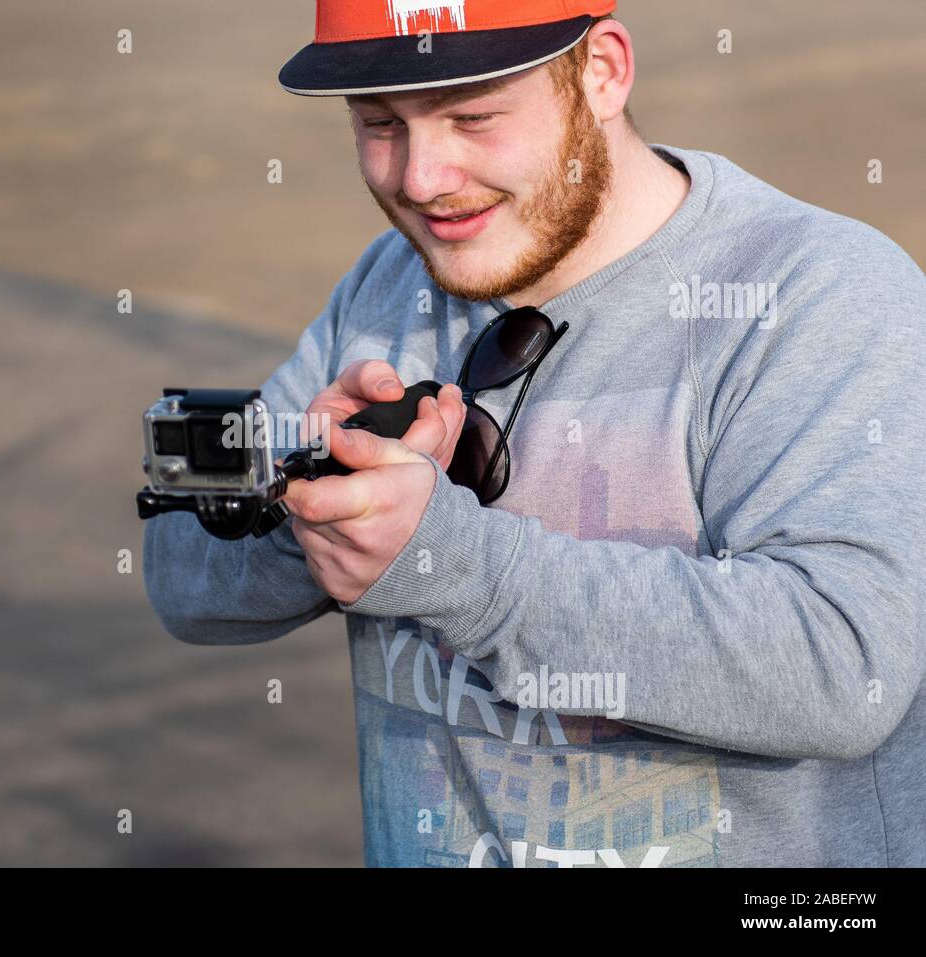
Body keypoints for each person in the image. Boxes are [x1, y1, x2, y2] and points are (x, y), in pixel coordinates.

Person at [143, 0, 926, 867]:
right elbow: (183, 578)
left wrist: (449, 561)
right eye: (380, 124)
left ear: (603, 73)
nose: (423, 177)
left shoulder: (817, 294)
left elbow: (845, 664)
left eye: (473, 116)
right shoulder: (385, 289)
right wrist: (320, 511)